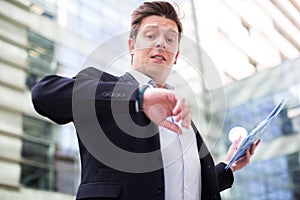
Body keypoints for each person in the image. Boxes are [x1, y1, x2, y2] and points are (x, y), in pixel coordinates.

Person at [31, 1, 260, 200]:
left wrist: (229, 166)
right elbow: (44, 93)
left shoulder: (182, 117)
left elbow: (181, 187)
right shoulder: (102, 86)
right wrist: (138, 97)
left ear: (176, 56)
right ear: (132, 46)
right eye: (150, 36)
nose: (161, 44)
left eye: (170, 39)